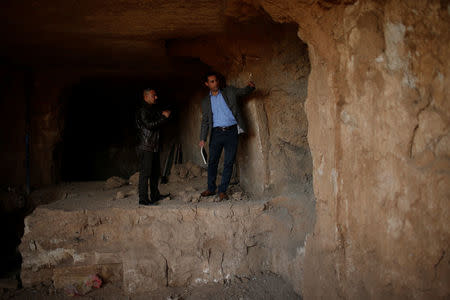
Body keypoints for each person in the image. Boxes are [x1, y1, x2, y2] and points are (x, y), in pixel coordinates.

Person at [199, 71, 255, 200]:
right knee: (212, 162)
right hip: (216, 133)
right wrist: (202, 138)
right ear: (207, 84)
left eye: (216, 80)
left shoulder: (229, 91)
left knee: (229, 162)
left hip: (232, 132)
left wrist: (250, 88)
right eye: (212, 81)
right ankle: (211, 188)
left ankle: (222, 190)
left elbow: (242, 92)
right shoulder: (205, 102)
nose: (215, 83)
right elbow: (205, 121)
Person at [136, 88, 171, 205]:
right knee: (145, 173)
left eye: (155, 95)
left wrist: (161, 114)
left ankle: (155, 195)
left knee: (155, 173)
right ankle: (143, 199)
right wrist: (164, 117)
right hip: (146, 146)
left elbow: (154, 116)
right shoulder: (143, 110)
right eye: (153, 95)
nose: (156, 97)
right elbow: (149, 125)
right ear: (146, 97)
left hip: (153, 146)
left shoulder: (150, 109)